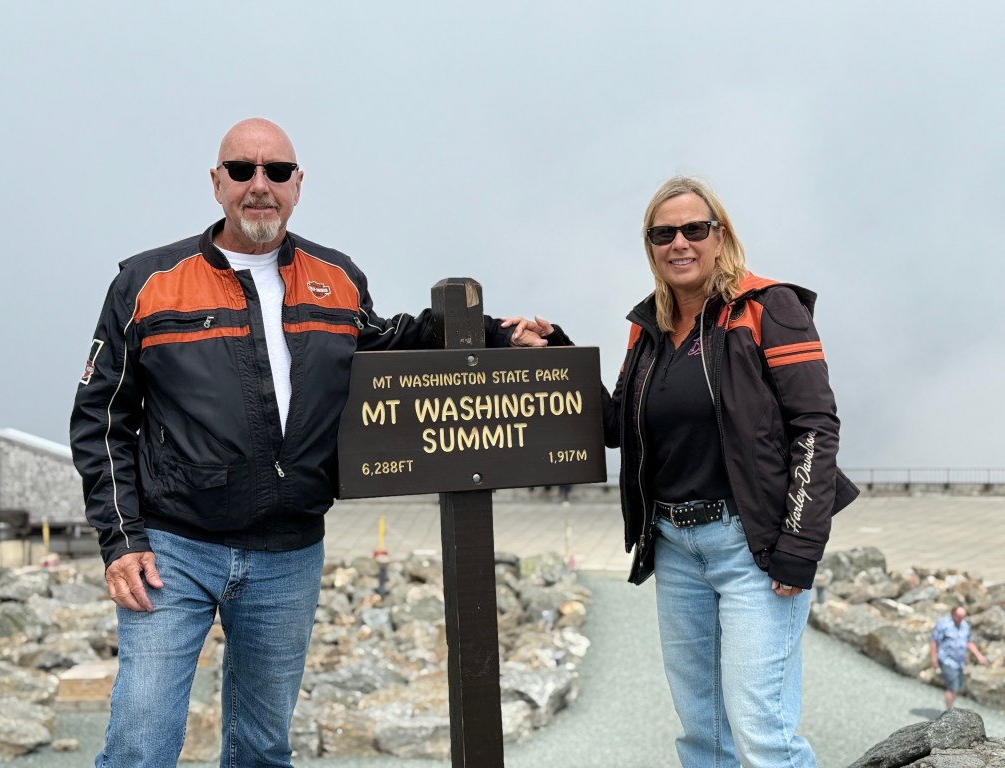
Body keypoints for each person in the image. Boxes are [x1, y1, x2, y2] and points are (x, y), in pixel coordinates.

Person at [69, 117, 553, 768]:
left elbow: (389, 344)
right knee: (139, 744)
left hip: (288, 554)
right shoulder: (148, 282)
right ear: (217, 183)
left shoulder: (337, 278)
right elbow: (101, 415)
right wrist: (121, 541)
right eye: (242, 170)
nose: (259, 185)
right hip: (173, 551)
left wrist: (496, 335)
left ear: (299, 185)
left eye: (276, 172)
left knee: (263, 749)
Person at [521, 176, 860, 766]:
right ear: (649, 245)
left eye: (694, 229)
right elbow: (617, 427)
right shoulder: (647, 326)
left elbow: (815, 426)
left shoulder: (768, 307)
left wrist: (799, 547)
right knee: (703, 734)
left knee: (762, 733)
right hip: (676, 547)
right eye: (662, 233)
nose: (679, 243)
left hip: (751, 546)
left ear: (719, 236)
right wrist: (557, 359)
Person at [930, 606, 989, 709]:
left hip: (959, 662)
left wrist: (979, 655)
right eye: (959, 616)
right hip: (946, 659)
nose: (961, 619)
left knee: (958, 687)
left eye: (963, 617)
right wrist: (933, 658)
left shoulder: (964, 625)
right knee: (952, 687)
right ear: (953, 614)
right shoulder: (944, 624)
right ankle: (948, 711)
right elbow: (934, 641)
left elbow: (968, 642)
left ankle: (950, 708)